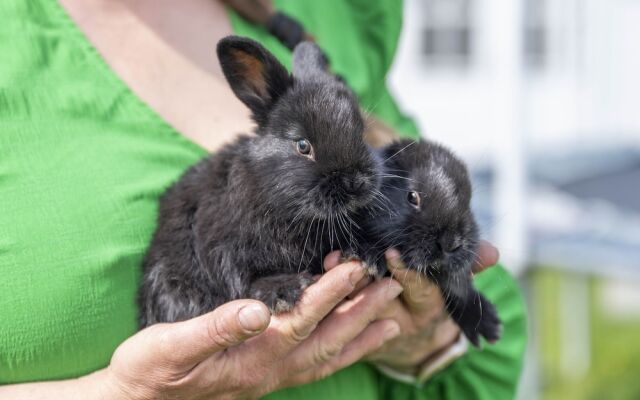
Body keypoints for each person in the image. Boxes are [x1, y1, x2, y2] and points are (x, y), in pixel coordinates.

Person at [0, 0, 527, 399]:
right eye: (304, 148)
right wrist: (118, 393)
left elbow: (494, 349)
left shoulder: (323, 14)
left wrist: (422, 342)